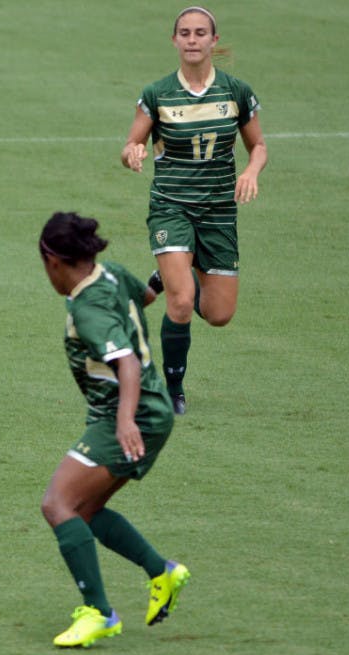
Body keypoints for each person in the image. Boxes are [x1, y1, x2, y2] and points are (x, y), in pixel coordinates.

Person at [38, 212, 189, 648]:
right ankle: (162, 571)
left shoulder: (87, 310)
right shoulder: (111, 273)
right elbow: (143, 296)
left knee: (58, 504)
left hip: (130, 416)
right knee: (84, 511)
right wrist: (160, 281)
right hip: (149, 408)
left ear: (53, 261)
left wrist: (124, 422)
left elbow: (124, 362)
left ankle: (99, 613)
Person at [120, 6, 268, 414]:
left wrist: (252, 171)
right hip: (171, 207)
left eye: (200, 33)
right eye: (184, 33)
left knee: (218, 314)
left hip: (219, 210)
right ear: (174, 40)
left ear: (213, 41)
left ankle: (170, 275)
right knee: (182, 302)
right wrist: (132, 152)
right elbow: (131, 143)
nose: (192, 39)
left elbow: (258, 145)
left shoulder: (237, 92)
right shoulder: (157, 94)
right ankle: (172, 389)